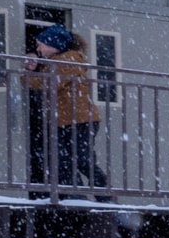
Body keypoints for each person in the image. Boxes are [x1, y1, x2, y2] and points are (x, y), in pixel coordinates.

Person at [24, 24, 107, 192]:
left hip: (80, 119)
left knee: (81, 160)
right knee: (64, 161)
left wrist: (26, 75)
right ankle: (76, 196)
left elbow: (48, 83)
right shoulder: (53, 63)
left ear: (52, 45)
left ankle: (104, 194)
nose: (38, 47)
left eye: (41, 44)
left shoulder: (69, 59)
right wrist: (32, 70)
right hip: (63, 120)